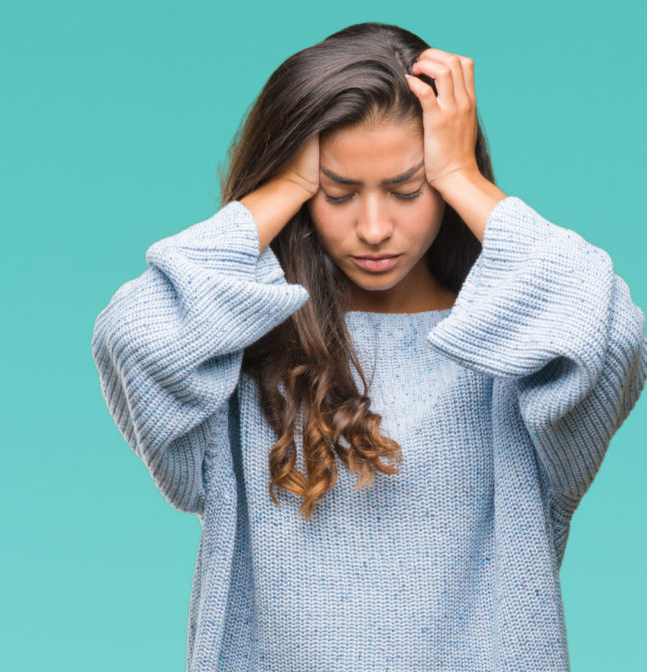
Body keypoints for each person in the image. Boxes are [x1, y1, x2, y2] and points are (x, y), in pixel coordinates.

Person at [89, 21, 647, 672]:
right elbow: (133, 338)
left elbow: (611, 334)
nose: (375, 228)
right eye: (338, 191)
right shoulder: (241, 354)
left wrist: (462, 175)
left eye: (409, 189)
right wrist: (281, 188)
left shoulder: (514, 354)